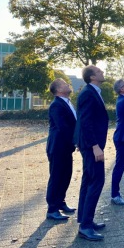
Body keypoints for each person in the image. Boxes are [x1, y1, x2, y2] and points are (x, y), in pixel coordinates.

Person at [73, 65, 109, 241]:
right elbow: (85, 121)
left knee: (88, 181)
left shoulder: (92, 91)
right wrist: (94, 145)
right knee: (96, 181)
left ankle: (85, 220)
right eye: (99, 71)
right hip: (92, 145)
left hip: (88, 144)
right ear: (92, 77)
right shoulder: (88, 93)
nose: (102, 72)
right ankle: (86, 226)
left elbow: (83, 120)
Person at [46, 78, 77, 221]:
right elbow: (62, 127)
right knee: (57, 176)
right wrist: (76, 141)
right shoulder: (56, 105)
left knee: (66, 175)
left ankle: (60, 202)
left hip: (66, 147)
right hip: (58, 146)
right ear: (58, 90)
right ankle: (52, 209)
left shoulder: (67, 102)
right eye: (65, 84)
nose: (68, 85)